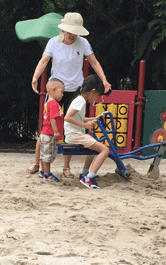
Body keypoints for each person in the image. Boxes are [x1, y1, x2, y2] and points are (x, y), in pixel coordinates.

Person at [26, 12, 110, 179]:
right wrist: (35, 77)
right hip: (56, 90)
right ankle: (37, 163)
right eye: (71, 32)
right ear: (64, 30)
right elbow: (43, 61)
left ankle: (66, 167)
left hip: (75, 90)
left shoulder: (83, 42)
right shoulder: (53, 43)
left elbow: (94, 61)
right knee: (46, 127)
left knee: (73, 127)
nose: (73, 36)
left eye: (76, 33)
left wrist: (105, 81)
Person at [64, 74, 108, 189]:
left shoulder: (79, 99)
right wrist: (85, 125)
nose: (96, 99)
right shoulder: (81, 101)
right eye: (97, 95)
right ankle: (89, 178)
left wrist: (94, 118)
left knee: (93, 146)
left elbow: (78, 118)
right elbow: (67, 118)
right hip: (74, 135)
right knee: (104, 150)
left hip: (74, 134)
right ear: (92, 91)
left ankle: (85, 172)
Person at [37, 78, 65, 182]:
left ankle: (43, 171)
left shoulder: (47, 103)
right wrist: (56, 131)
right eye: (61, 92)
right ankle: (47, 174)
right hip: (49, 134)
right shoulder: (53, 104)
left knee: (45, 153)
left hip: (46, 133)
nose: (62, 95)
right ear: (53, 90)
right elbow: (52, 118)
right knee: (48, 155)